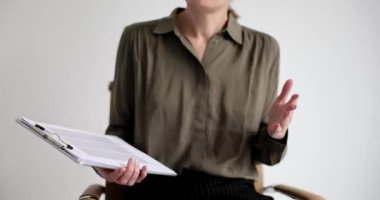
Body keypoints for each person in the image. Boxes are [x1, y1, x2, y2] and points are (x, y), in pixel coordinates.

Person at [94, 1, 299, 199]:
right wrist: (106, 164)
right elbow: (119, 131)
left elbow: (267, 156)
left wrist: (275, 134)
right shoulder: (138, 39)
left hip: (233, 192)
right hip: (154, 190)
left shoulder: (263, 49)